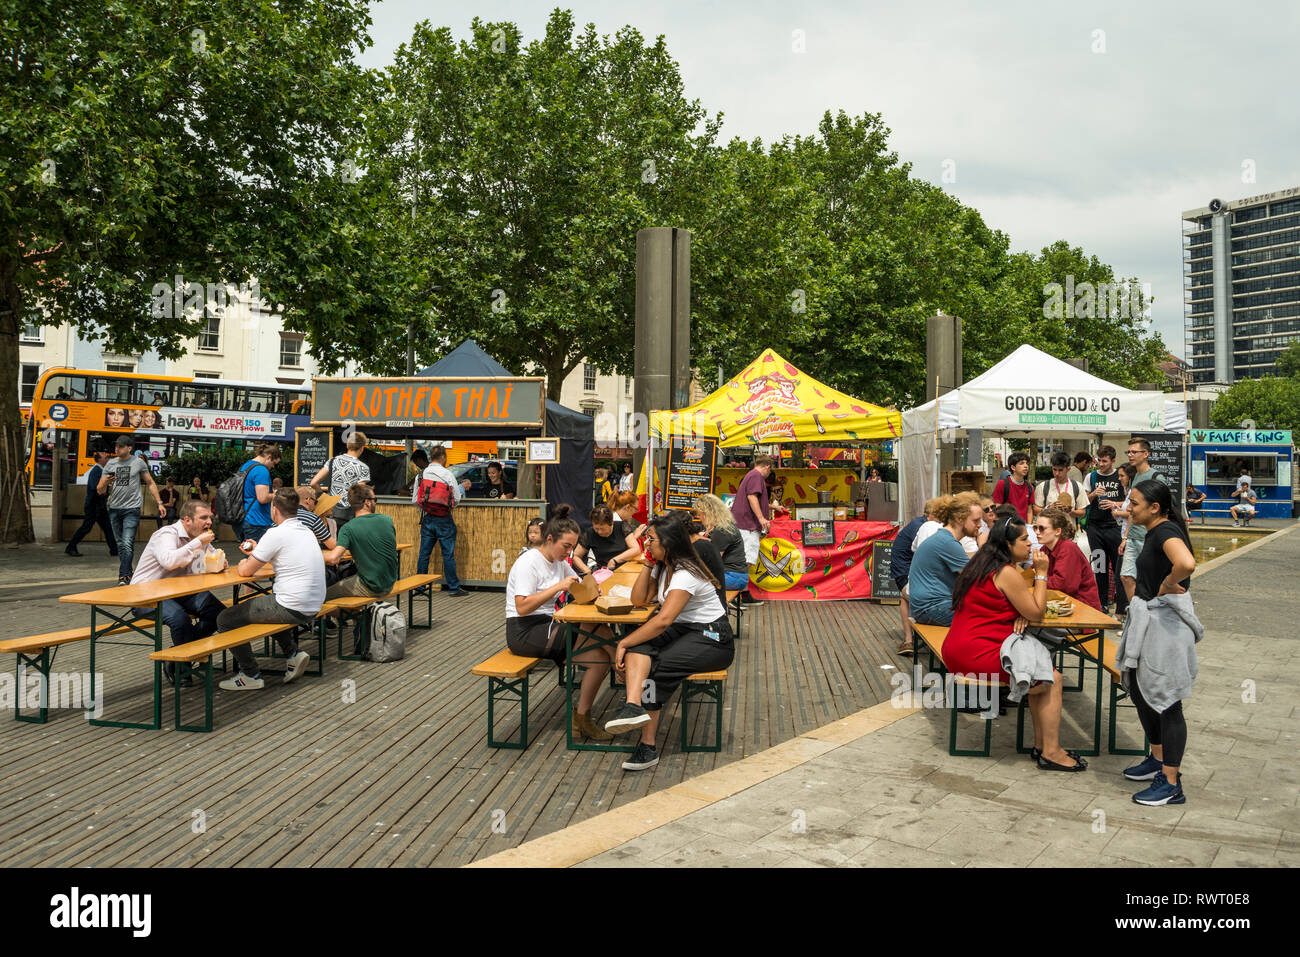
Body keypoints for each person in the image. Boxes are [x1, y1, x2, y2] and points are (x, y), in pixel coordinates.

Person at [945, 514, 1086, 771]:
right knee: (1051, 678)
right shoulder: (1006, 572)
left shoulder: (983, 562)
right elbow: (1037, 612)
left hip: (959, 647)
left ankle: (1042, 746)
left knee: (1041, 672)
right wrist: (1042, 574)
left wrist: (1020, 611)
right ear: (1008, 545)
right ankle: (1051, 751)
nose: (1030, 544)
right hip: (976, 653)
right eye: (1024, 539)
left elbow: (1012, 605)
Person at [603, 515, 735, 771]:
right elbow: (639, 599)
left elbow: (663, 620)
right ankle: (633, 706)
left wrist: (621, 643)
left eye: (651, 540)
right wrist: (647, 562)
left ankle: (647, 746)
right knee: (637, 646)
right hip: (685, 629)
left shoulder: (687, 571)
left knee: (654, 668)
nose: (646, 543)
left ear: (670, 542)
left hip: (713, 637)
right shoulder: (665, 565)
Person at [1117, 480, 1199, 806]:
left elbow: (1187, 564)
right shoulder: (1154, 530)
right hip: (1150, 622)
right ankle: (1157, 757)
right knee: (1140, 692)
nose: (1128, 508)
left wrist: (1167, 583)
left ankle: (1171, 782)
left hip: (1164, 627)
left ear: (1154, 507)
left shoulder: (1165, 532)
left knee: (1167, 702)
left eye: (1134, 503)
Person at [505, 505, 616, 742]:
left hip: (548, 624)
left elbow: (577, 585)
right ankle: (623, 663)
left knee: (599, 659)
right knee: (591, 627)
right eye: (566, 546)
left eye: (572, 548)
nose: (569, 553)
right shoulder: (529, 562)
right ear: (549, 539)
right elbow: (522, 607)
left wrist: (591, 586)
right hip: (523, 630)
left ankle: (582, 717)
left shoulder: (559, 561)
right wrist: (557, 587)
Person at [216, 488, 322, 691]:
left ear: (274, 510)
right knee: (267, 606)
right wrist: (259, 551)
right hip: (313, 605)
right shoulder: (306, 531)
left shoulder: (276, 533)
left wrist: (243, 562)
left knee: (225, 619)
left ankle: (250, 674)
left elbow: (246, 572)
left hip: (293, 606)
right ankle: (293, 654)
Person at [129, 499, 228, 684]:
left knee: (219, 614)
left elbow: (213, 558)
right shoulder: (166, 534)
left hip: (179, 592)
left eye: (210, 518)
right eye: (204, 518)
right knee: (179, 619)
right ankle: (182, 667)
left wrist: (220, 563)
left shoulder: (201, 536)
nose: (209, 522)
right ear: (187, 520)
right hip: (145, 594)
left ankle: (175, 654)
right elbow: (169, 561)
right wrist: (197, 542)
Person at [99, 435, 166, 585]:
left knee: (127, 542)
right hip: (114, 509)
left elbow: (150, 483)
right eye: (116, 446)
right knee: (120, 545)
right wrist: (106, 484)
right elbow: (99, 489)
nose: (117, 449)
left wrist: (159, 503)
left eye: (121, 446)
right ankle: (129, 573)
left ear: (129, 448)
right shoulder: (110, 464)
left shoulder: (138, 463)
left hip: (132, 509)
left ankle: (123, 576)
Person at [322, 486, 398, 617]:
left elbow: (333, 558)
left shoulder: (348, 528)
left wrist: (313, 552)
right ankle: (357, 617)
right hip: (390, 582)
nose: (375, 502)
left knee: (321, 597)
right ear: (367, 502)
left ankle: (353, 617)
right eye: (375, 499)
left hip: (370, 586)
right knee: (348, 580)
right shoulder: (387, 520)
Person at [908, 495, 981, 626]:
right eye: (976, 521)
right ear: (959, 519)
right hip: (931, 609)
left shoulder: (944, 538)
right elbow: (976, 578)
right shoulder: (947, 542)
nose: (980, 525)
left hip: (929, 606)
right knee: (990, 617)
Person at [1116, 438, 1167, 616]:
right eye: (1128, 452)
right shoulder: (1135, 476)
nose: (1130, 455)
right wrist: (1126, 537)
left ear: (1145, 454)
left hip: (1149, 538)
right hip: (1133, 537)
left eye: (1134, 452)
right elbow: (1132, 509)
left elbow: (1164, 509)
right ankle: (1138, 616)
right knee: (1126, 576)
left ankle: (1152, 616)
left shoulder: (1156, 478)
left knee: (1150, 580)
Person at [413, 444, 468, 597]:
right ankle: (453, 588)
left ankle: (420, 587)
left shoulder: (422, 475)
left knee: (424, 553)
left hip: (427, 518)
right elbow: (457, 498)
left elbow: (414, 500)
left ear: (431, 457)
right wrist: (446, 508)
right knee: (448, 554)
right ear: (443, 457)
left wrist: (426, 509)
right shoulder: (448, 475)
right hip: (444, 519)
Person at [891, 497, 943, 655]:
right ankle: (909, 640)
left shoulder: (922, 524)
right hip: (903, 573)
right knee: (908, 594)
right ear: (933, 514)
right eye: (942, 514)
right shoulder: (922, 527)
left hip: (905, 569)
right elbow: (927, 555)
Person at [1082, 445, 1124, 613]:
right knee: (1099, 566)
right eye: (1099, 460)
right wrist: (1093, 494)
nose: (1100, 464)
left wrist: (1114, 503)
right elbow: (1083, 500)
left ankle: (1121, 605)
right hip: (1095, 528)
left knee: (1118, 566)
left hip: (1115, 527)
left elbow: (1130, 500)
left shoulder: (1120, 476)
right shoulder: (1091, 477)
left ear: (1113, 461)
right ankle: (1102, 603)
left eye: (1104, 461)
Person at [1035, 508, 1100, 610]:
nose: (1037, 532)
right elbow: (1032, 573)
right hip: (1063, 605)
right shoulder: (1045, 548)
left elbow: (1063, 585)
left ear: (1057, 531)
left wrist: (1039, 579)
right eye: (1035, 528)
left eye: (1042, 528)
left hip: (1083, 609)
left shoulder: (1068, 548)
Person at [310, 430, 371, 530]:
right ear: (362, 448)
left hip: (330, 511)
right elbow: (359, 494)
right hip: (349, 516)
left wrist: (323, 495)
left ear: (347, 445)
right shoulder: (363, 468)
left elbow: (313, 483)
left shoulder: (333, 461)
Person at [65, 450, 118, 558]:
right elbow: (95, 488)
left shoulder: (101, 470)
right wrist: (105, 489)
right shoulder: (96, 471)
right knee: (86, 527)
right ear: (99, 460)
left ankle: (114, 550)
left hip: (99, 505)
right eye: (105, 457)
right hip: (94, 505)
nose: (107, 458)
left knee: (107, 527)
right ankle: (71, 547)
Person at [692, 493, 748, 594]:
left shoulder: (721, 530)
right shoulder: (724, 525)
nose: (698, 517)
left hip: (732, 577)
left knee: (691, 582)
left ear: (708, 513)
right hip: (736, 575)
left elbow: (714, 561)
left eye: (699, 514)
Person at [729, 455, 774, 568]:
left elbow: (754, 499)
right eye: (770, 471)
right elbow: (752, 497)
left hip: (744, 525)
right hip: (748, 526)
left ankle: (740, 585)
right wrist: (761, 518)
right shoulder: (756, 476)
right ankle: (741, 586)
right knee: (745, 562)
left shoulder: (751, 475)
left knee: (743, 561)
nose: (769, 474)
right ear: (767, 467)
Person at [572, 505, 640, 575]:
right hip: (604, 573)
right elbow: (576, 556)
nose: (599, 532)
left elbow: (636, 549)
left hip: (625, 569)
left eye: (602, 528)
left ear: (612, 523)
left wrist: (614, 560)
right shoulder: (590, 533)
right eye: (596, 528)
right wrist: (586, 570)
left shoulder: (622, 527)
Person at [236, 443, 280, 545]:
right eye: (274, 463)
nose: (273, 467)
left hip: (244, 517)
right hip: (257, 520)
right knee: (257, 558)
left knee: (249, 553)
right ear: (269, 457)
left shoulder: (246, 466)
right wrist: (276, 494)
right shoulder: (261, 470)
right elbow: (263, 498)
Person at [1033, 451, 1088, 522]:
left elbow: (1083, 513)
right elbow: (1035, 510)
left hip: (1069, 530)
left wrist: (1070, 511)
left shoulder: (1077, 486)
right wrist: (1049, 509)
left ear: (1068, 469)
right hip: (1049, 531)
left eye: (1060, 470)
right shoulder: (1043, 486)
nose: (1057, 473)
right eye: (1054, 469)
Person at [992, 451, 1032, 521]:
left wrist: (1028, 528)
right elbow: (997, 508)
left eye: (1027, 463)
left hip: (1023, 527)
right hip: (1007, 527)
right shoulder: (1002, 484)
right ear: (1013, 467)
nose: (1026, 466)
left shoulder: (1029, 486)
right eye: (1021, 463)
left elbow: (1029, 511)